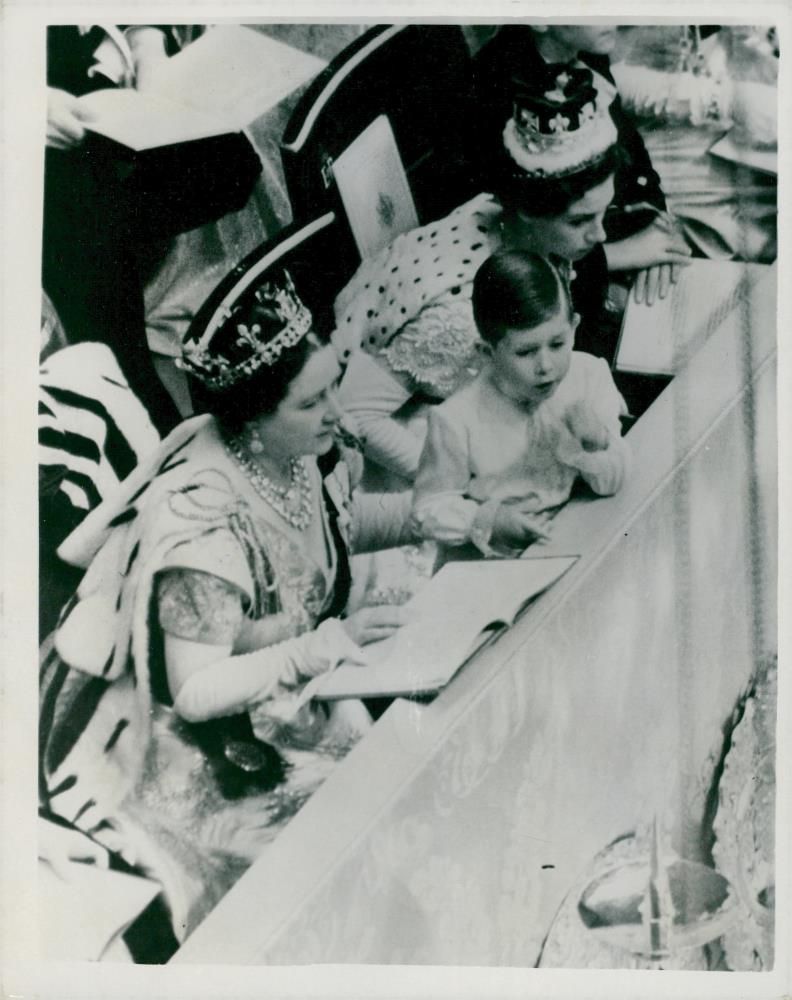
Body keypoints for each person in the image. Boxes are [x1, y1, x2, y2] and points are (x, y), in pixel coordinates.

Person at [39, 269, 413, 949]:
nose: (336, 411)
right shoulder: (205, 525)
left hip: (281, 683)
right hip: (177, 748)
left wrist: (431, 515)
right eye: (311, 401)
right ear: (252, 420)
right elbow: (197, 691)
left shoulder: (295, 448)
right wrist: (316, 648)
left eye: (333, 382)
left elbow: (332, 528)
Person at [333, 64, 686, 484]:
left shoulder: (517, 228)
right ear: (526, 210)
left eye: (601, 212)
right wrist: (459, 484)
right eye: (579, 222)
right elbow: (356, 412)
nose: (601, 233)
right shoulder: (457, 312)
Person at [43, 25, 261, 434]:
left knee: (234, 163)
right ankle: (143, 415)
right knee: (89, 233)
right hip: (43, 146)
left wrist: (147, 40)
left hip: (102, 82)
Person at [411, 250, 629, 560]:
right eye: (525, 352)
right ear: (488, 352)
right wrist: (484, 520)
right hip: (493, 558)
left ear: (574, 327)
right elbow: (425, 510)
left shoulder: (588, 376)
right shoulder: (456, 418)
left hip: (576, 534)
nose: (546, 366)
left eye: (557, 344)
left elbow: (612, 484)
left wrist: (597, 446)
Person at [472, 22, 679, 306]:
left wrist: (654, 228)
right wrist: (620, 256)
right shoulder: (491, 85)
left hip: (599, 228)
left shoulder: (586, 52)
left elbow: (633, 155)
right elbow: (513, 235)